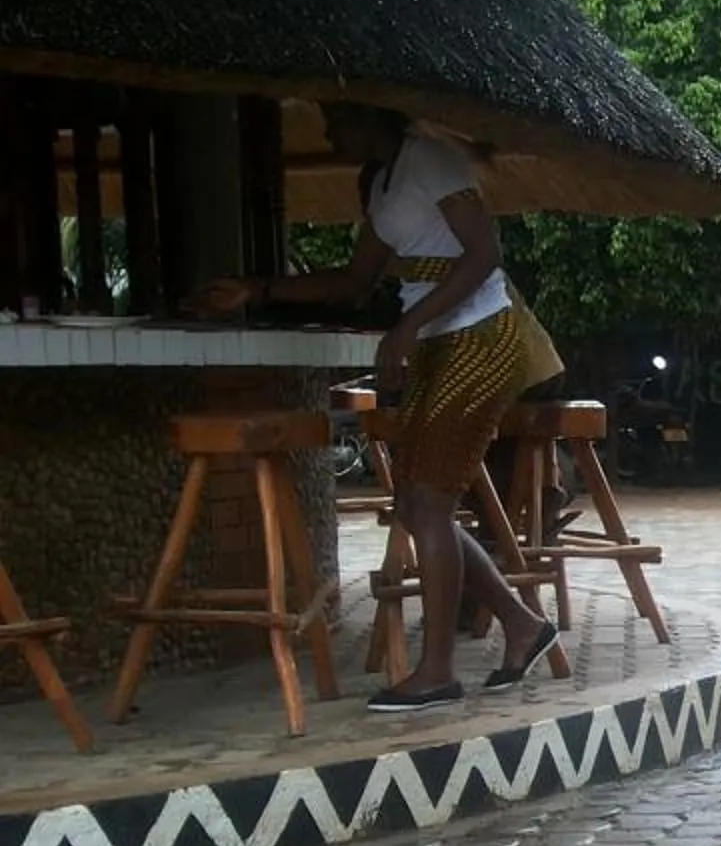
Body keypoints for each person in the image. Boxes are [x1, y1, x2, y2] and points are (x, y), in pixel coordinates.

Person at [196, 103, 561, 713]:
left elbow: (483, 254)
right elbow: (353, 282)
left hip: (483, 336)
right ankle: (521, 626)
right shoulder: (386, 182)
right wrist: (257, 289)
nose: (328, 129)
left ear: (372, 117)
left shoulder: (430, 158)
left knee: (430, 504)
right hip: (440, 343)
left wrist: (407, 327)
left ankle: (438, 673)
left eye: (337, 119)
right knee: (420, 507)